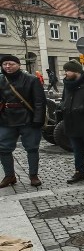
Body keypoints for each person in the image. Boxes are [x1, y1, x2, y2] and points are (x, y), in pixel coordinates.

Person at [0, 55, 46, 188]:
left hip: (28, 119)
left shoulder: (31, 80)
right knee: (3, 149)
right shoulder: (1, 79)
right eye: (5, 64)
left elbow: (39, 102)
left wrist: (38, 119)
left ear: (18, 65)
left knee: (32, 148)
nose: (8, 66)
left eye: (11, 64)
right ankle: (9, 176)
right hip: (6, 119)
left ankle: (33, 176)